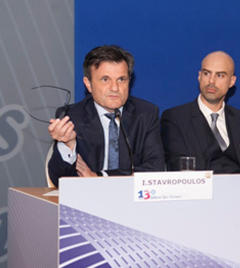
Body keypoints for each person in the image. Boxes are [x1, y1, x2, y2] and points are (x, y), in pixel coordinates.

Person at [47, 45, 164, 187]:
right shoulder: (71, 117)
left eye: (121, 79)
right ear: (88, 84)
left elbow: (155, 170)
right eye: (105, 79)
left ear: (129, 80)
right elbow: (59, 180)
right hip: (87, 197)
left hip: (131, 196)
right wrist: (68, 144)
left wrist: (100, 176)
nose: (115, 88)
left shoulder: (145, 114)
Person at [160, 51, 240, 172]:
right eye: (206, 73)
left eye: (220, 75)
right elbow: (177, 168)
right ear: (199, 76)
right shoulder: (176, 118)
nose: (211, 81)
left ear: (232, 81)